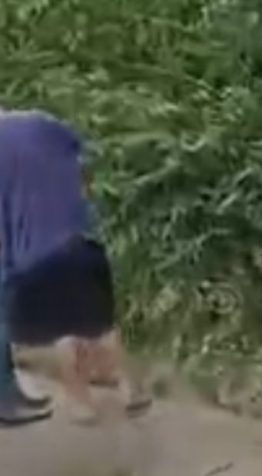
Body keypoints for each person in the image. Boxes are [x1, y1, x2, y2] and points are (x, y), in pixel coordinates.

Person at [0, 109, 151, 424]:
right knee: (101, 323)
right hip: (82, 242)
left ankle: (81, 403)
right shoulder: (43, 123)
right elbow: (83, 167)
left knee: (64, 331)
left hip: (36, 257)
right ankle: (129, 389)